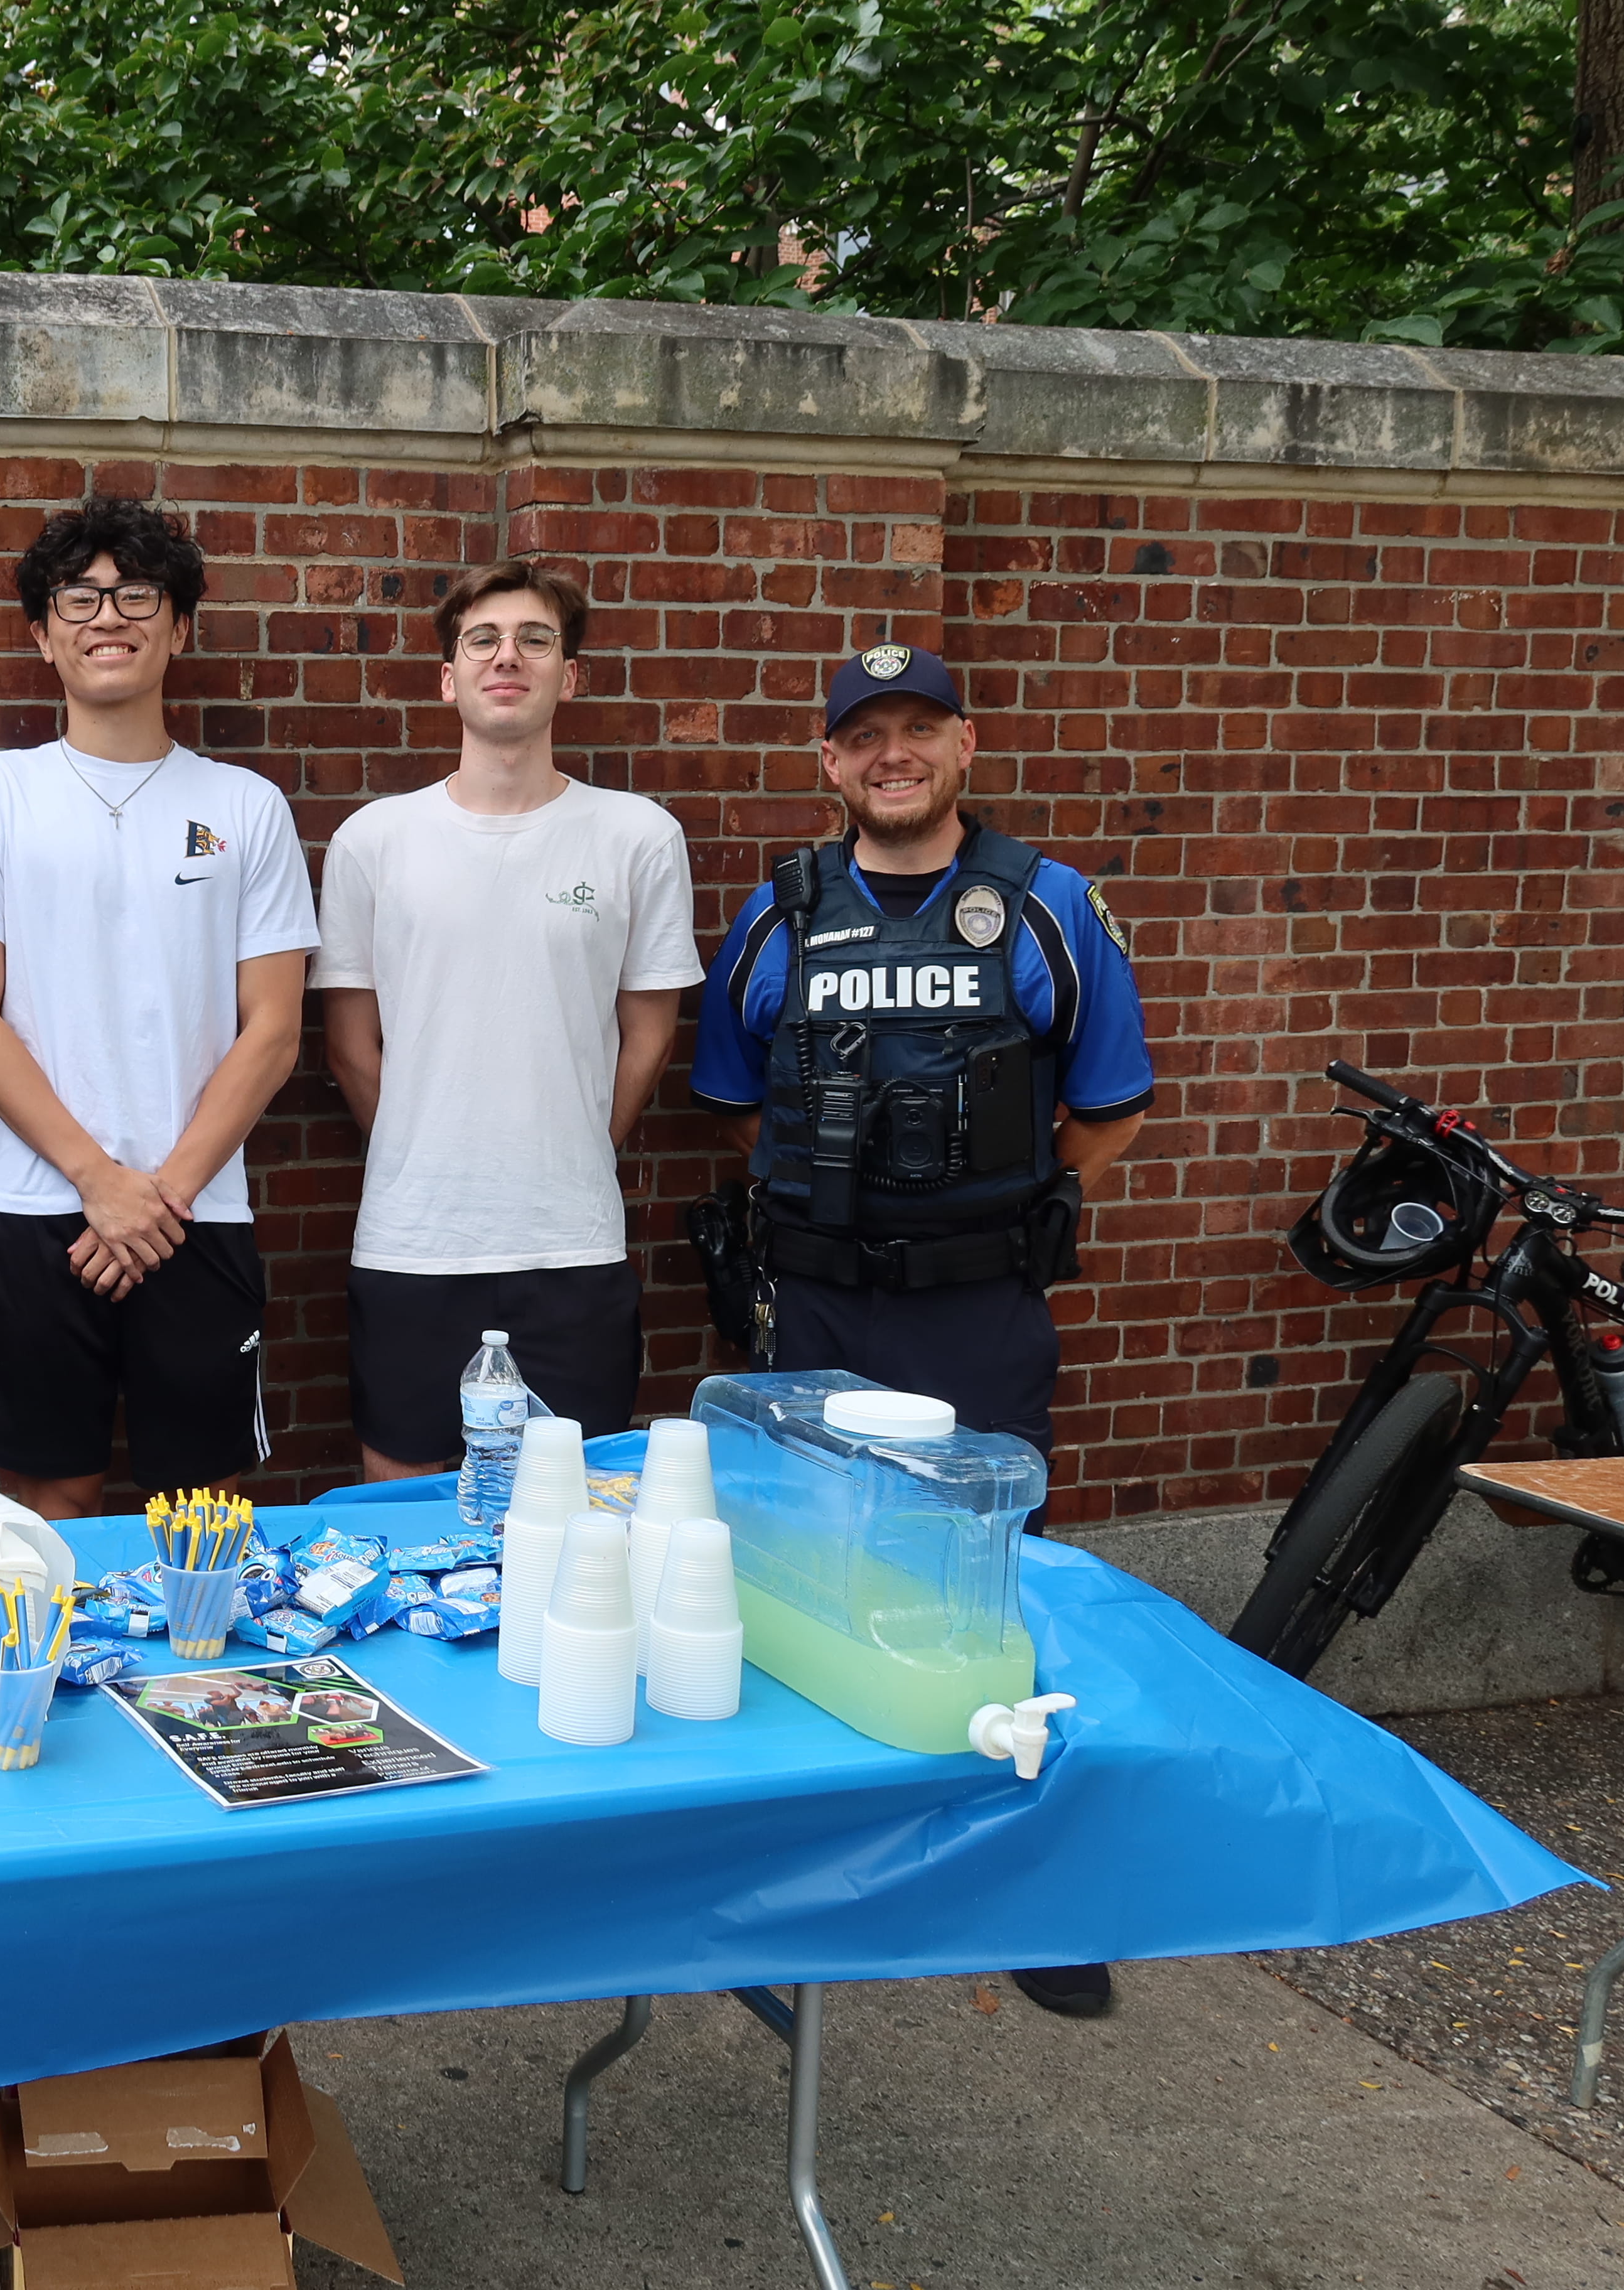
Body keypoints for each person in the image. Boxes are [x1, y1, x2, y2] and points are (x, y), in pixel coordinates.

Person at [689, 638, 1154, 2019]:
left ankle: (1028, 1890)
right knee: (795, 1579)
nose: (892, 755)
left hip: (978, 1305)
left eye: (920, 730)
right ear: (830, 763)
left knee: (997, 1589)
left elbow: (1111, 1107)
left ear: (965, 747)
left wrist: (989, 1209)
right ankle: (809, 1878)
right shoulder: (779, 911)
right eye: (864, 736)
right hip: (819, 1305)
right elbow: (737, 1103)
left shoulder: (1049, 906)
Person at [0, 497, 318, 1522]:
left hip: (198, 1211)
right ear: (42, 635)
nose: (108, 618)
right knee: (50, 1507)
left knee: (205, 1515)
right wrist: (99, 1182)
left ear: (180, 629)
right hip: (42, 1209)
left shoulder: (245, 807)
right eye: (78, 599)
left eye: (137, 596)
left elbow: (274, 1031)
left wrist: (159, 1199)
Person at [317, 557, 702, 1483]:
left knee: (572, 1520)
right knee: (407, 1511)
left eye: (535, 639)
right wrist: (422, 1146)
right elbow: (351, 1045)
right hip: (413, 1244)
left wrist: (576, 1142)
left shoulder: (638, 837)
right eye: (483, 640)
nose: (508, 656)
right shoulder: (374, 841)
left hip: (573, 1244)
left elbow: (649, 1035)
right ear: (447, 678)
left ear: (571, 676)